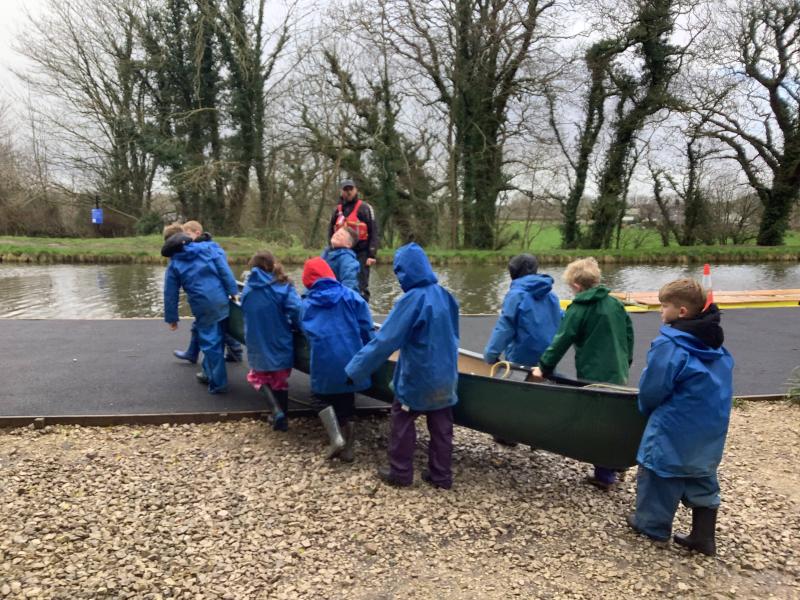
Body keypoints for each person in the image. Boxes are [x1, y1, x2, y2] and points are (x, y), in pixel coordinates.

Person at [627, 279, 734, 556]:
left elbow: (653, 388)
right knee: (702, 474)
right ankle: (703, 536)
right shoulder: (714, 342)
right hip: (709, 424)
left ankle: (651, 526)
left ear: (682, 311)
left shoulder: (670, 344)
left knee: (658, 470)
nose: (660, 311)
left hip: (674, 423)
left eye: (664, 306)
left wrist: (646, 409)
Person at [345, 243, 460, 489]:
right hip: (446, 375)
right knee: (442, 426)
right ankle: (441, 476)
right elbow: (454, 336)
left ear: (404, 272)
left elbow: (385, 341)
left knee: (402, 420)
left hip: (418, 376)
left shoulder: (411, 300)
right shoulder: (446, 295)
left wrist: (355, 370)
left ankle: (400, 473)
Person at [532, 257, 634, 490]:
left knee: (598, 422)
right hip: (618, 369)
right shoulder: (615, 304)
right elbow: (629, 334)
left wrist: (544, 367)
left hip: (593, 372)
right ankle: (618, 463)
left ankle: (604, 475)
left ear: (576, 286)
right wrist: (625, 361)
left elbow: (562, 340)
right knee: (615, 417)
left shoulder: (579, 308)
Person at [300, 257, 375, 462]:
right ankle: (348, 449)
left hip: (324, 360)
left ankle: (336, 438)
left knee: (318, 398)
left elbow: (306, 331)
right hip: (352, 359)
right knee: (347, 401)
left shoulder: (306, 304)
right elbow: (366, 328)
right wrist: (371, 353)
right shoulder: (352, 296)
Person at [163, 225, 239, 394]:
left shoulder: (174, 263)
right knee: (218, 337)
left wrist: (172, 318)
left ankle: (218, 384)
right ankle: (208, 373)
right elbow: (224, 270)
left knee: (211, 344)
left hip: (203, 305)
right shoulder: (206, 249)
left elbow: (170, 294)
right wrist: (233, 291)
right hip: (221, 299)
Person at [241, 251, 302, 432]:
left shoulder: (248, 288)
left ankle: (275, 411)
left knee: (257, 376)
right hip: (279, 337)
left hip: (256, 338)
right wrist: (299, 327)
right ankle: (282, 418)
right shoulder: (283, 285)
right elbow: (296, 309)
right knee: (279, 379)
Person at [483, 254, 562, 366]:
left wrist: (490, 355)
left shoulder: (515, 295)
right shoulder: (551, 295)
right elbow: (560, 321)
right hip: (548, 358)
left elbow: (505, 328)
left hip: (521, 359)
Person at [327, 179, 379, 301]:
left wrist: (371, 254)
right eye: (346, 190)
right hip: (341, 253)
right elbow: (330, 231)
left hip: (361, 253)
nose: (349, 192)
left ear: (356, 190)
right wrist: (330, 248)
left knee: (361, 285)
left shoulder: (365, 208)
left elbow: (374, 231)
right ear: (341, 192)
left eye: (351, 189)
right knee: (338, 282)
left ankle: (362, 307)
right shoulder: (337, 210)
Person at [322, 227, 360, 293]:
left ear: (348, 244)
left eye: (342, 234)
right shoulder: (326, 253)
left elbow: (349, 283)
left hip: (336, 296)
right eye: (337, 232)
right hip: (323, 293)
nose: (337, 234)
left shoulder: (348, 259)